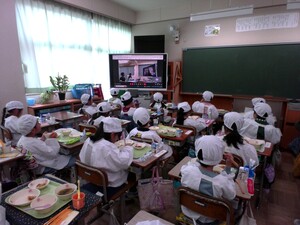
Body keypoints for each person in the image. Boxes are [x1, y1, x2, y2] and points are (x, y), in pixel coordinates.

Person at [180, 135, 236, 224]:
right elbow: (231, 195)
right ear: (219, 156)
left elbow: (192, 165)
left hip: (189, 213)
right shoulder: (222, 181)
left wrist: (201, 158)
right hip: (211, 220)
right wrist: (228, 167)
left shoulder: (187, 170)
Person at [79, 117, 134, 195]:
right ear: (112, 135)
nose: (117, 139)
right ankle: (131, 194)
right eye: (117, 136)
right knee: (132, 174)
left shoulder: (89, 140)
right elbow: (124, 162)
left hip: (90, 179)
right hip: (108, 186)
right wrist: (128, 148)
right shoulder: (107, 147)